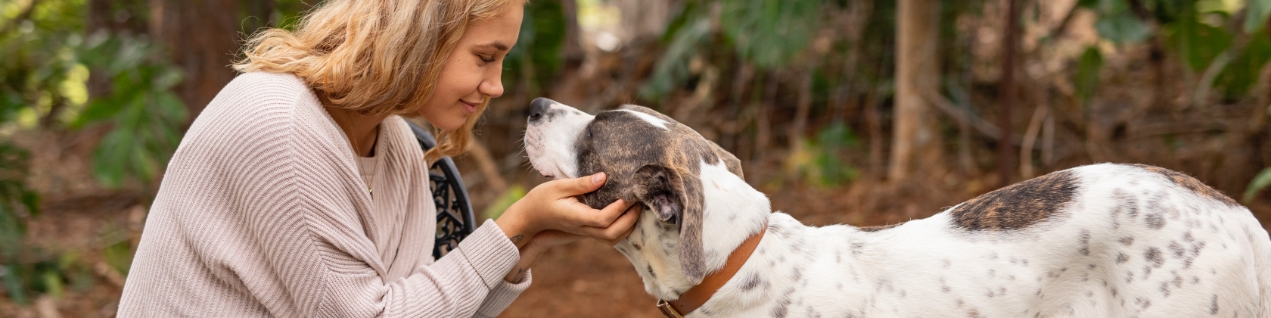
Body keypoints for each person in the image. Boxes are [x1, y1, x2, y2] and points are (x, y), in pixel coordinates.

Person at [116, 0, 640, 316]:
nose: (497, 85)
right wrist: (510, 226)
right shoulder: (280, 126)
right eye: (485, 56)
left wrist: (527, 243)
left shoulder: (397, 151)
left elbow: (426, 310)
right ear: (418, 37)